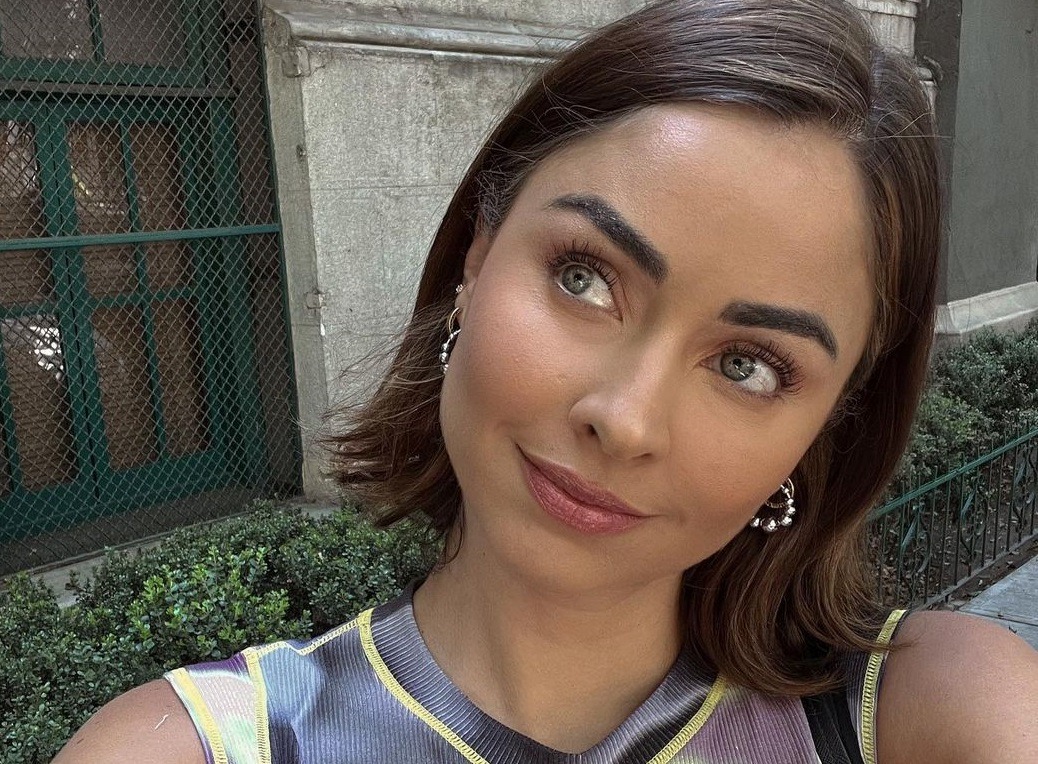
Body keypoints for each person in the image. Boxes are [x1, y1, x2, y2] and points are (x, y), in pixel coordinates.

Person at [55, 0, 1038, 762]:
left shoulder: (931, 714)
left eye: (748, 365)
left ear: (824, 427)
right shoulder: (196, 744)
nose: (625, 417)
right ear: (477, 256)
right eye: (585, 278)